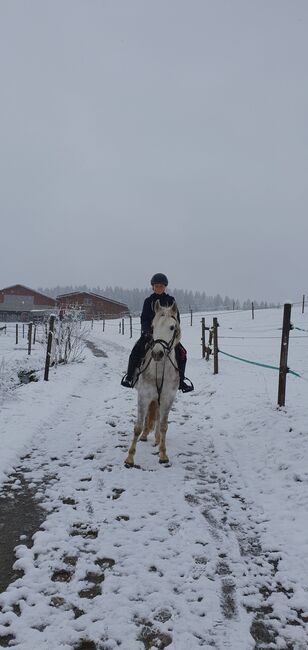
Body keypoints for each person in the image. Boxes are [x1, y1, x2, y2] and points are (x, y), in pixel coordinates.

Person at [121, 273, 194, 392]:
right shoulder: (148, 301)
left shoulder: (171, 300)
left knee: (182, 353)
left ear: (165, 287)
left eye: (161, 286)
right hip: (150, 334)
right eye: (156, 286)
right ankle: (129, 377)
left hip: (166, 336)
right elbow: (144, 318)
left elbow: (176, 318)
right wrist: (148, 331)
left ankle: (181, 381)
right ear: (152, 287)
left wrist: (173, 331)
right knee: (136, 351)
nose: (159, 288)